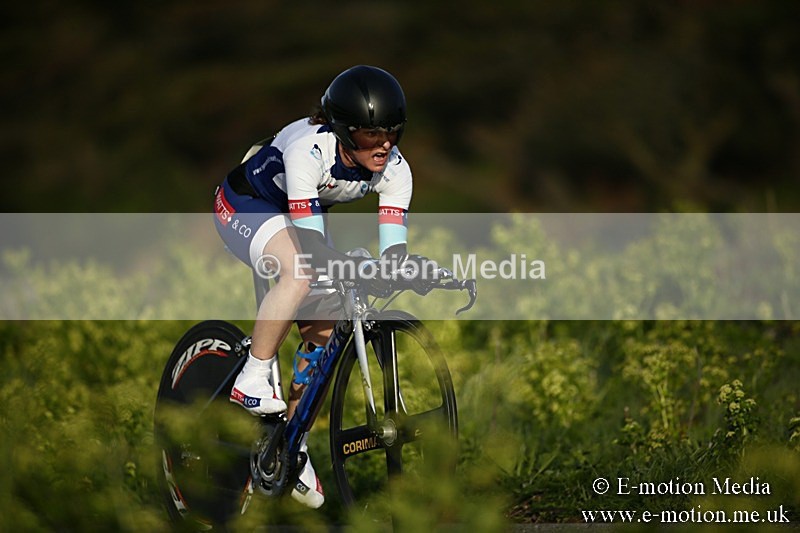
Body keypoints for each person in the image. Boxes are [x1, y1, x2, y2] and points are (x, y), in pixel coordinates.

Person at [213, 65, 432, 509]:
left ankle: (293, 445)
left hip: (297, 215)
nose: (384, 145)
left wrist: (403, 269)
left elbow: (393, 254)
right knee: (302, 272)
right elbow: (311, 251)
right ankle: (252, 375)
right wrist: (353, 265)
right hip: (246, 203)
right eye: (371, 136)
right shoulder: (308, 152)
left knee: (325, 326)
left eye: (392, 133)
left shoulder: (396, 170)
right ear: (344, 132)